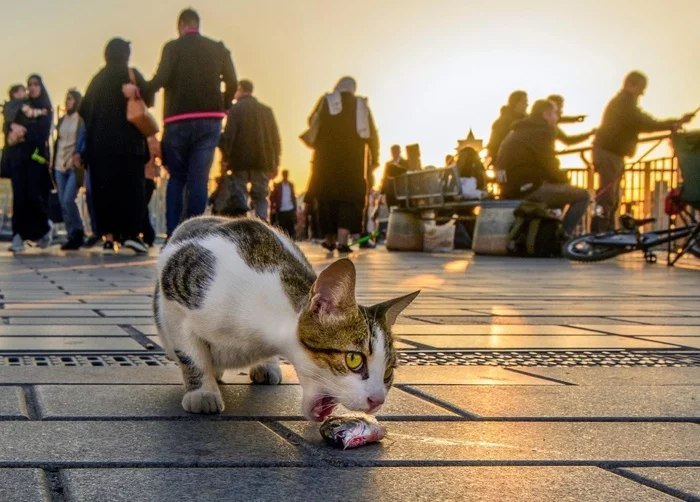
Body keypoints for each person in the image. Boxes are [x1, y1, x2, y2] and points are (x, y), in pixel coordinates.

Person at [134, 8, 237, 238]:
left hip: (177, 120)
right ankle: (195, 236)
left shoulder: (173, 48)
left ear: (181, 25)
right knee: (199, 179)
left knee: (177, 178)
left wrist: (140, 92)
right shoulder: (217, 48)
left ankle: (173, 234)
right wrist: (225, 105)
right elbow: (232, 81)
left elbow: (159, 79)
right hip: (209, 120)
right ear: (197, 24)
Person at [592, 71, 694, 231]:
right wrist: (672, 124)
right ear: (630, 85)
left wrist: (675, 122)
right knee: (607, 197)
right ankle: (600, 234)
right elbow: (644, 122)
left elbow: (643, 121)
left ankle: (606, 233)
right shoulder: (623, 104)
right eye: (641, 88)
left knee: (612, 197)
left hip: (612, 154)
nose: (642, 92)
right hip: (609, 154)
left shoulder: (624, 103)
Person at [80, 38, 155, 254]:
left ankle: (109, 237)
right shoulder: (130, 75)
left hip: (99, 148)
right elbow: (148, 99)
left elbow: (84, 110)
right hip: (128, 146)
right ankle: (131, 234)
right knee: (131, 190)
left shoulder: (97, 79)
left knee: (105, 192)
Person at [303, 77, 379, 253]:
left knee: (327, 199)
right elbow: (372, 134)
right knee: (349, 200)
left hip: (326, 161)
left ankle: (329, 240)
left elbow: (312, 121)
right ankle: (343, 242)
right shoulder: (361, 105)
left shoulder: (327, 100)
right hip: (353, 162)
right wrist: (374, 160)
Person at [497, 99, 590, 234]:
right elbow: (549, 164)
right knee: (582, 196)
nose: (557, 118)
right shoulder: (543, 131)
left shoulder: (520, 129)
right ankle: (563, 237)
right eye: (555, 114)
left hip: (508, 187)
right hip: (527, 189)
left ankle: (548, 233)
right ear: (546, 114)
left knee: (560, 191)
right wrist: (564, 180)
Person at [221, 79, 281, 221]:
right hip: (262, 161)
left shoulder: (235, 109)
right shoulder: (266, 111)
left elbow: (229, 136)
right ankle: (262, 227)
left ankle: (242, 226)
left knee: (240, 195)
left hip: (239, 161)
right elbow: (275, 139)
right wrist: (275, 163)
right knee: (261, 196)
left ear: (240, 89)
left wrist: (224, 159)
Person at [9, 75, 54, 252]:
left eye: (36, 85)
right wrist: (12, 130)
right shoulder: (23, 106)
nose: (32, 88)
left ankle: (44, 229)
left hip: (35, 161)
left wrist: (23, 134)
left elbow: (41, 134)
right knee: (19, 198)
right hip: (18, 159)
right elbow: (9, 121)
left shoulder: (45, 110)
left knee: (34, 197)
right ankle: (17, 237)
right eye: (30, 85)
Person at [52, 89, 86, 250]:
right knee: (62, 202)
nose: (68, 101)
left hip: (74, 165)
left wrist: (80, 155)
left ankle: (78, 231)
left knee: (68, 199)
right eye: (66, 99)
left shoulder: (81, 120)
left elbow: (83, 140)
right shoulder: (61, 120)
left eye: (71, 99)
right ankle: (71, 234)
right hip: (59, 164)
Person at [486, 90, 528, 166]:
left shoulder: (526, 121)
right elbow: (493, 146)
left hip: (523, 164)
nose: (527, 104)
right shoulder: (503, 122)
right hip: (506, 165)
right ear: (516, 103)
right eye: (524, 102)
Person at [270, 170, 297, 238]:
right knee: (282, 226)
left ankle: (291, 240)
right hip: (281, 209)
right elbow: (273, 196)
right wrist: (273, 207)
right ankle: (283, 240)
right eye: (285, 174)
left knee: (290, 226)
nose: (286, 176)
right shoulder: (278, 185)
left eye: (286, 175)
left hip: (290, 208)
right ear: (283, 175)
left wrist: (295, 207)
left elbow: (293, 196)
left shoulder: (291, 185)